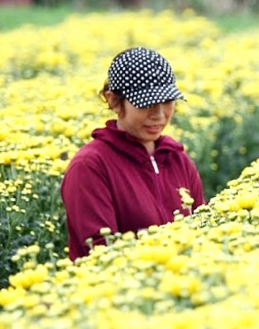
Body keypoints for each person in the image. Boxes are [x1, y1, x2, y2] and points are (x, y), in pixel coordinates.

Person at [61, 47, 205, 261]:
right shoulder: (90, 166)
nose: (159, 115)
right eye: (147, 103)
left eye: (167, 102)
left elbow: (203, 230)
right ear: (113, 101)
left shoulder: (178, 160)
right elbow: (101, 254)